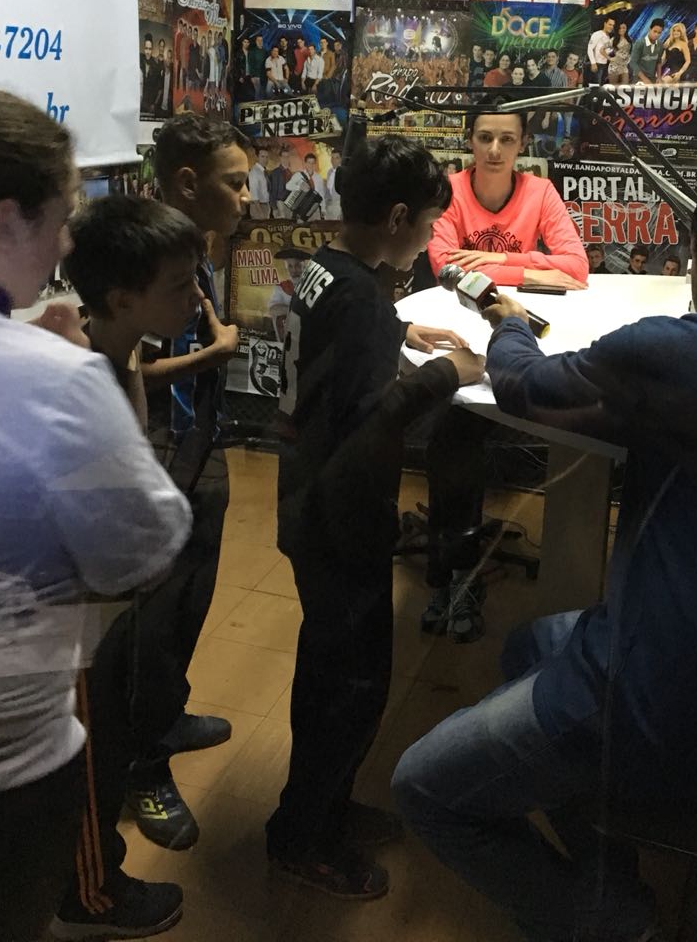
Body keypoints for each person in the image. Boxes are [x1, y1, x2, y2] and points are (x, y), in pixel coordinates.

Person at [393, 166, 697, 942]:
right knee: (530, 644)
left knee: (423, 787)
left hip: (662, 688)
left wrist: (507, 318)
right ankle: (619, 855)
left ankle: (612, 919)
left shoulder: (675, 351)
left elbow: (524, 386)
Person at [0, 90, 191, 942]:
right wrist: (93, 380)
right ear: (2, 222)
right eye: (61, 219)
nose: (68, 244)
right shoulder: (55, 379)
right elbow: (142, 553)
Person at [266, 136, 484, 898]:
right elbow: (373, 421)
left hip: (307, 498)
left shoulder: (330, 270)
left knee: (330, 672)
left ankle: (324, 807)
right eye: (426, 223)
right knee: (350, 689)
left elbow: (339, 351)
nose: (428, 238)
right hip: (342, 516)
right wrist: (444, 374)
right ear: (397, 218)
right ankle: (303, 835)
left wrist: (398, 332)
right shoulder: (362, 298)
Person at [56, 196, 218, 939]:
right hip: (77, 623)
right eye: (180, 285)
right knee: (89, 755)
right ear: (122, 298)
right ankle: (90, 893)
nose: (196, 298)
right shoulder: (83, 381)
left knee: (110, 738)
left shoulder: (116, 356)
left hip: (105, 608)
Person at [123, 116, 252, 851]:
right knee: (155, 626)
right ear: (186, 183)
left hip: (200, 446)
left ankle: (166, 718)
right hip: (159, 458)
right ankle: (143, 766)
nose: (246, 195)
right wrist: (215, 355)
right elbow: (131, 370)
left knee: (190, 606)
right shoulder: (147, 257)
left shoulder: (195, 249)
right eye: (234, 182)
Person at [422, 104, 588, 640]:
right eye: (485, 138)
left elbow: (576, 268)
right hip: (459, 332)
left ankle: (458, 572)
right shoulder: (450, 191)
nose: (495, 150)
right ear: (470, 141)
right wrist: (534, 264)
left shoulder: (540, 192)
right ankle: (452, 575)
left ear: (522, 145)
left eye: (507, 140)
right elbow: (443, 267)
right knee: (453, 435)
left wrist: (492, 261)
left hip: (519, 333)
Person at [286, 151, 326, 221]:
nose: (311, 165)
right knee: (302, 226)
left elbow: (322, 194)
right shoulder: (299, 175)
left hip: (314, 209)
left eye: (313, 163)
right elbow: (288, 186)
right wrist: (299, 187)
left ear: (315, 164)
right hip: (300, 207)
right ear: (305, 163)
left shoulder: (319, 178)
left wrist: (323, 209)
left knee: (315, 226)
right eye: (309, 162)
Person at [628, 19, 667, 84]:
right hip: (638, 79)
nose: (656, 34)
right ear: (650, 29)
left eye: (659, 33)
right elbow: (632, 63)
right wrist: (644, 79)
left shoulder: (660, 45)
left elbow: (658, 61)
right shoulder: (640, 43)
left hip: (652, 79)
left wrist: (659, 77)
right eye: (655, 31)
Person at [586, 16, 615, 85]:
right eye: (610, 24)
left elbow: (605, 52)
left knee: (601, 86)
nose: (611, 27)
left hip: (604, 65)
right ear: (605, 23)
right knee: (595, 87)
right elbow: (590, 48)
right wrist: (593, 63)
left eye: (613, 25)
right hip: (597, 65)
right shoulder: (597, 34)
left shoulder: (608, 37)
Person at [248, 145, 272, 219]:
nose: (265, 159)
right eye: (262, 156)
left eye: (267, 157)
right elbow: (254, 194)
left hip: (265, 205)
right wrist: (260, 212)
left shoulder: (263, 171)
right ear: (257, 157)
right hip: (258, 207)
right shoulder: (254, 172)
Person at [608, 20, 633, 85]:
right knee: (614, 88)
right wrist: (609, 58)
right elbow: (602, 50)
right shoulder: (613, 40)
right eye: (620, 28)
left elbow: (629, 52)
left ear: (626, 28)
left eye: (624, 28)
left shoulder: (629, 39)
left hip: (624, 66)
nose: (622, 29)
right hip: (614, 66)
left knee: (625, 87)